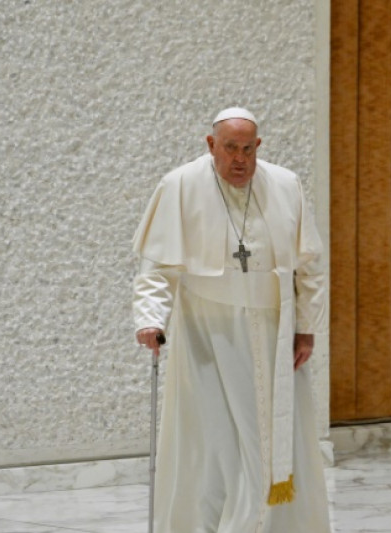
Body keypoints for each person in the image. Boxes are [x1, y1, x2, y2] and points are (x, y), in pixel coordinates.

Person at [132, 107, 331, 532]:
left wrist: (306, 328)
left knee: (271, 442)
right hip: (208, 334)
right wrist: (150, 320)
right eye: (229, 149)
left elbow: (309, 268)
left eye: (247, 149)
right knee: (214, 443)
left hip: (275, 335)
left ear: (258, 147)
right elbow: (156, 269)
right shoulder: (180, 185)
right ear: (211, 145)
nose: (239, 160)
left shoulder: (285, 185)